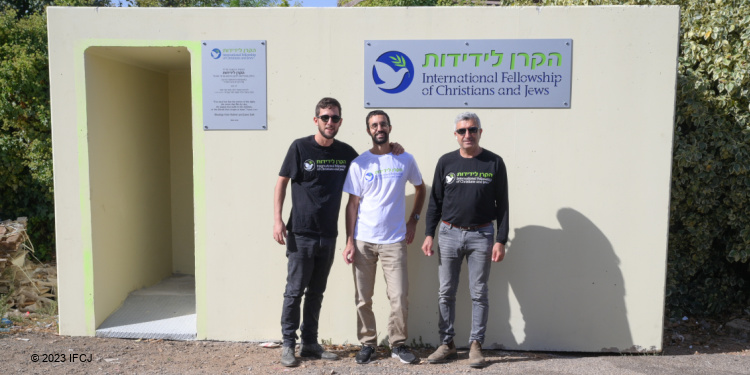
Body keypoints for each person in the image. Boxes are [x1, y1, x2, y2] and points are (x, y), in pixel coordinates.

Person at [273, 98, 404, 368]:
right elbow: (281, 183)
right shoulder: (299, 147)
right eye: (325, 117)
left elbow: (372, 161)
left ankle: (310, 342)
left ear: (340, 122)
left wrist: (393, 149)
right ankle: (289, 343)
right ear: (316, 120)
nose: (329, 122)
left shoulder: (346, 153)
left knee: (317, 292)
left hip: (328, 235)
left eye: (334, 118)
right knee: (294, 291)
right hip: (301, 233)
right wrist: (277, 220)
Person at [420, 112, 509, 369]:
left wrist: (501, 239)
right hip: (448, 233)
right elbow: (435, 201)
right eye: (462, 131)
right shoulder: (446, 162)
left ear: (480, 132)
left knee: (479, 292)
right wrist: (429, 233)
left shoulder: (494, 162)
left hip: (482, 235)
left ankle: (475, 346)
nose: (467, 135)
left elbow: (502, 205)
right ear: (455, 135)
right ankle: (447, 344)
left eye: (472, 130)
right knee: (446, 291)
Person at [341, 110, 426, 365]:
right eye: (374, 125)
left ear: (390, 127)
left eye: (382, 124)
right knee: (363, 298)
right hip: (363, 241)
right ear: (369, 130)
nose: (379, 128)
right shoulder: (359, 163)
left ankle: (398, 344)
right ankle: (368, 344)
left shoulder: (404, 158)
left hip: (394, 241)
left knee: (399, 296)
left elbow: (420, 188)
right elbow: (352, 205)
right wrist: (348, 241)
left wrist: (414, 220)